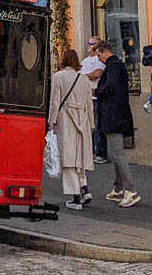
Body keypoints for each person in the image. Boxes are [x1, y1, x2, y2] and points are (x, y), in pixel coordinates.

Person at [48, 49, 94, 210]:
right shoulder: (84, 79)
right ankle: (84, 187)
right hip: (82, 119)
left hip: (66, 118)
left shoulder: (58, 77)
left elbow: (55, 101)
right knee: (79, 157)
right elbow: (90, 103)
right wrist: (91, 124)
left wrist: (51, 121)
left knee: (68, 157)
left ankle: (75, 197)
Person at [94, 41, 139, 208]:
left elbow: (109, 87)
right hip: (117, 115)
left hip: (113, 116)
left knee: (118, 154)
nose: (98, 59)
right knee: (114, 154)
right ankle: (119, 188)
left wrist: (97, 91)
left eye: (99, 55)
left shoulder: (113, 66)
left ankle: (130, 190)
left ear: (105, 52)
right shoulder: (117, 65)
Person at [80, 36, 107, 163]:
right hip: (85, 97)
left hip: (96, 96)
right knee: (85, 125)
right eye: (89, 43)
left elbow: (97, 73)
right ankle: (88, 151)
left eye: (93, 43)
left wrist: (83, 77)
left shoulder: (99, 59)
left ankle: (100, 152)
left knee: (96, 125)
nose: (90, 46)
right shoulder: (84, 61)